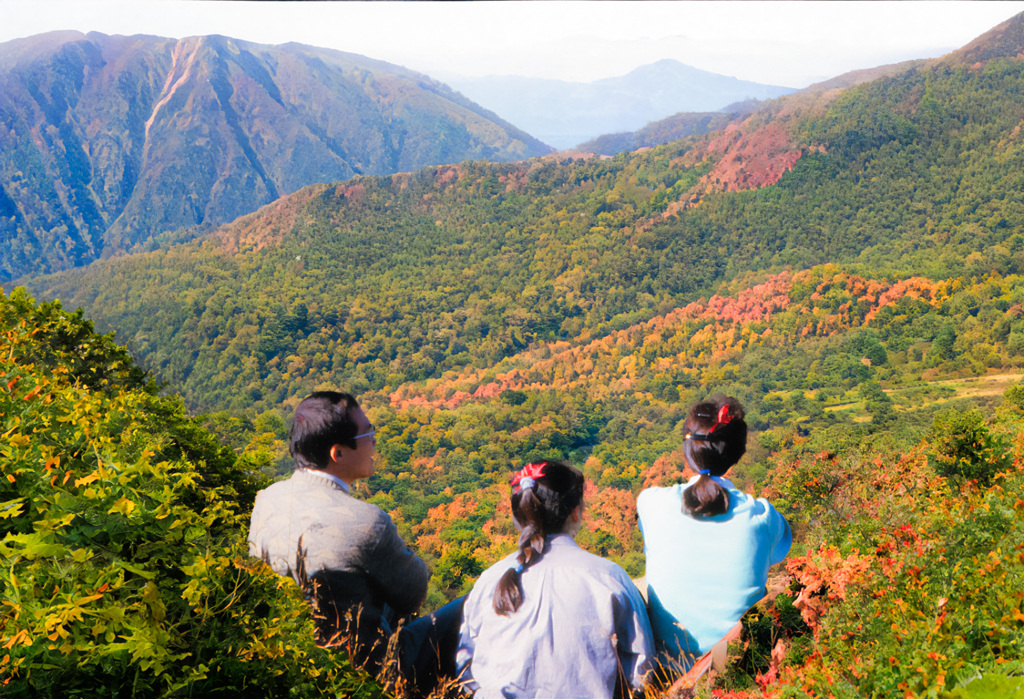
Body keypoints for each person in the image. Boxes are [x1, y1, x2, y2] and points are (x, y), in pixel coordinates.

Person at [248, 390, 429, 661]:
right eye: (368, 434)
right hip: (360, 666)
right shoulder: (368, 522)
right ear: (338, 453)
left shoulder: (266, 498)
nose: (374, 441)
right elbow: (414, 592)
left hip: (284, 651)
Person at [457, 460, 654, 699]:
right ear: (575, 512)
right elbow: (642, 671)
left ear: (517, 517)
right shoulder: (608, 577)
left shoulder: (489, 581)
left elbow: (466, 669)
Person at [636, 395, 792, 666]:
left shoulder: (651, 503)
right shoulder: (763, 516)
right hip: (737, 667)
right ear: (738, 453)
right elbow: (779, 553)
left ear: (687, 451)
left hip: (669, 671)